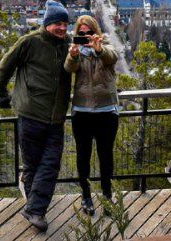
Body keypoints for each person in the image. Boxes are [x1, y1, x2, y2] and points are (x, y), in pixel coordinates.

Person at [0, 0, 72, 232]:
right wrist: (0, 93)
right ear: (47, 23)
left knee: (51, 164)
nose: (62, 28)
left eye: (65, 23)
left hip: (56, 116)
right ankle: (35, 208)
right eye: (57, 23)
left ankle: (35, 209)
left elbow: (93, 57)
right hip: (30, 114)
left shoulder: (68, 44)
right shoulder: (29, 42)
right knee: (32, 165)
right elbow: (5, 65)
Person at [64, 15, 119, 215]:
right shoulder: (76, 52)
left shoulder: (105, 47)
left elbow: (112, 57)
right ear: (77, 34)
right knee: (83, 157)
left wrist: (99, 48)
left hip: (106, 111)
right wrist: (72, 55)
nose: (86, 36)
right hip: (82, 112)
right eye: (81, 33)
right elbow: (68, 69)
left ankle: (107, 196)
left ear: (96, 32)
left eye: (89, 32)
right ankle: (86, 196)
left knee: (106, 157)